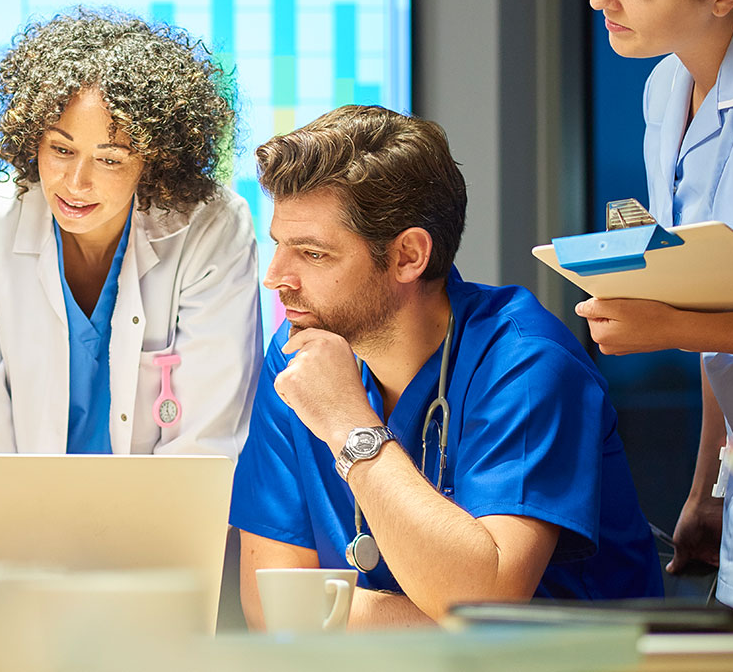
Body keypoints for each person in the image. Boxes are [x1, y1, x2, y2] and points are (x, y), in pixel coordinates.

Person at [231, 105, 663, 629]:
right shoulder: (298, 355)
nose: (276, 277)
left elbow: (484, 602)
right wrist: (443, 616)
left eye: (313, 254)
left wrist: (350, 424)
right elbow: (270, 608)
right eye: (279, 245)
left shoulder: (525, 364)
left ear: (409, 256)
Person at [0, 9, 261, 457]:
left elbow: (205, 442)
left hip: (160, 519)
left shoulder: (211, 228)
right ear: (31, 138)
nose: (75, 183)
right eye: (61, 149)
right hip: (10, 520)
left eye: (110, 159)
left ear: (156, 160)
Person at [582, 0, 733, 621]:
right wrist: (710, 488)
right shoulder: (667, 87)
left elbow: (697, 318)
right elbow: (714, 288)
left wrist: (670, 326)